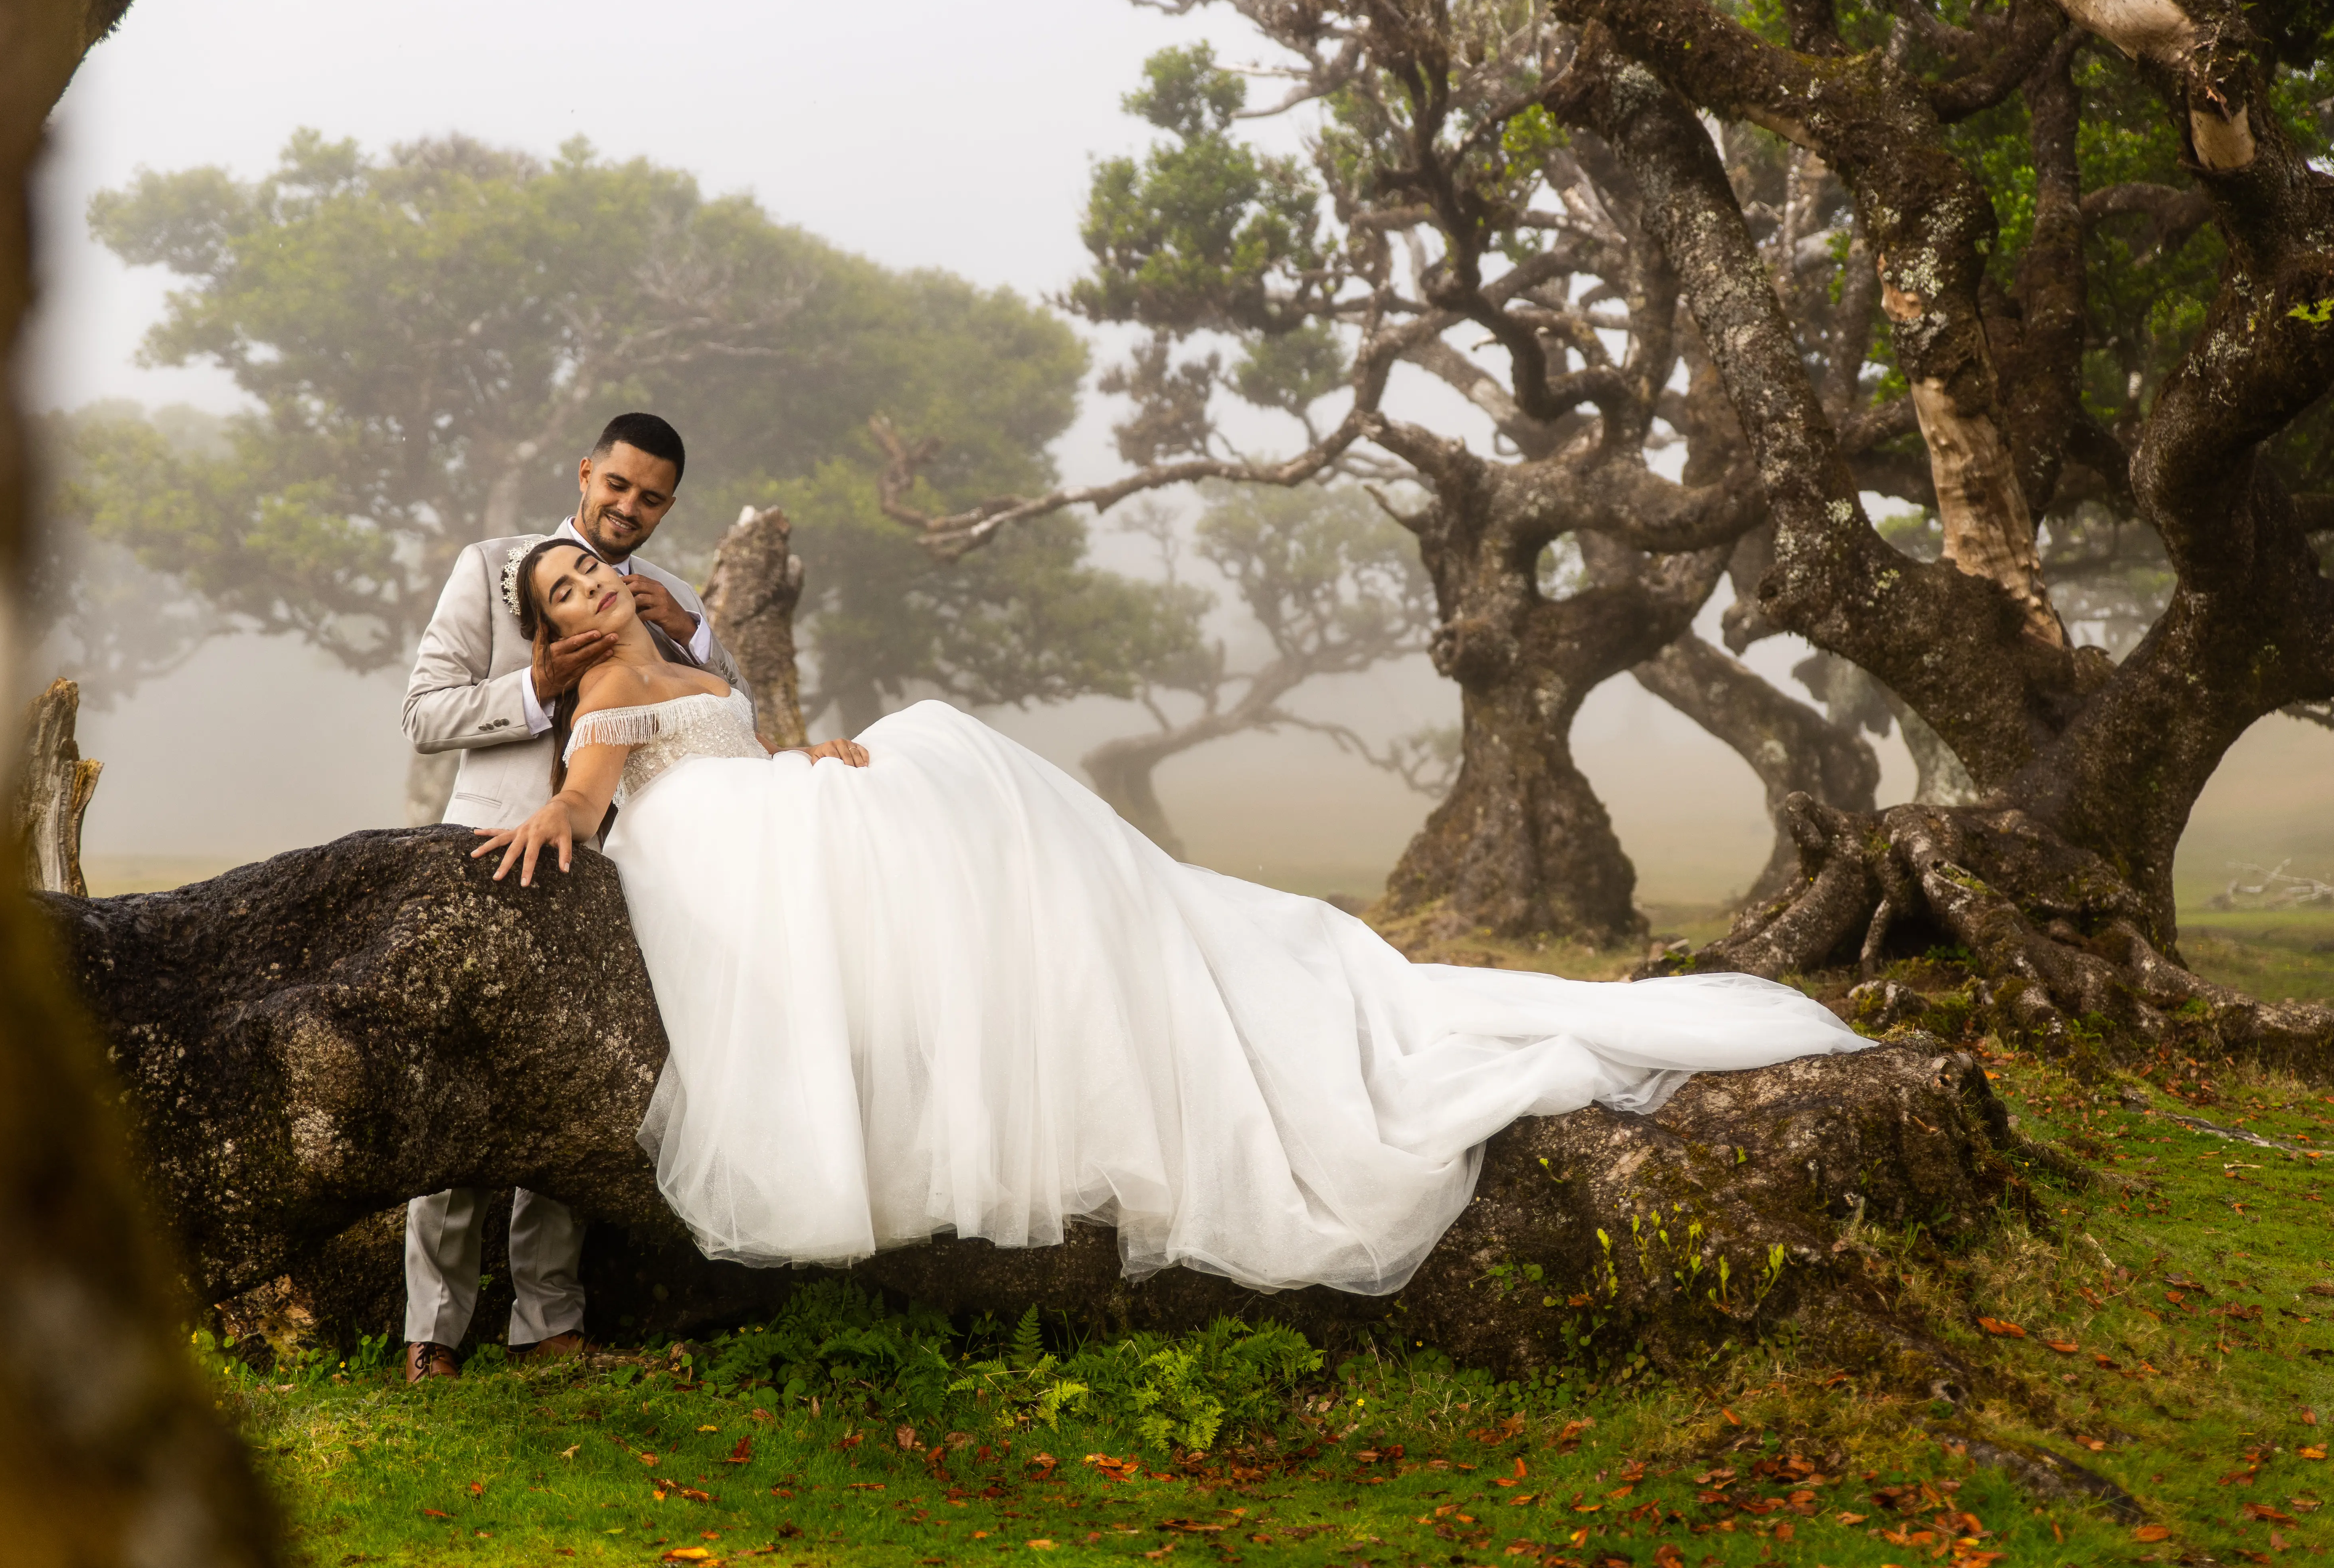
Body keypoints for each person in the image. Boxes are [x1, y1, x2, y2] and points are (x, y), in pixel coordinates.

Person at [474, 540, 1876, 1298]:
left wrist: (805, 761)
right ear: (561, 631)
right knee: (942, 760)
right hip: (723, 860)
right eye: (560, 593)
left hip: (765, 806)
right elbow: (594, 799)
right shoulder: (606, 691)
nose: (588, 588)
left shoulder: (686, 651)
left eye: (587, 570)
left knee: (931, 757)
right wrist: (543, 821)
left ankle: (1130, 937)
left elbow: (724, 745)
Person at [398, 412, 749, 1382]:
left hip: (621, 870)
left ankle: (550, 1319)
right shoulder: (489, 565)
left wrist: (701, 632)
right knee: (461, 1084)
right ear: (586, 471)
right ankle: (433, 1329)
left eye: (650, 499)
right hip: (491, 851)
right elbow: (423, 713)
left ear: (667, 506)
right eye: (617, 486)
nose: (627, 509)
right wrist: (536, 683)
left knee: (577, 1083)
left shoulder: (672, 595)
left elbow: (723, 706)